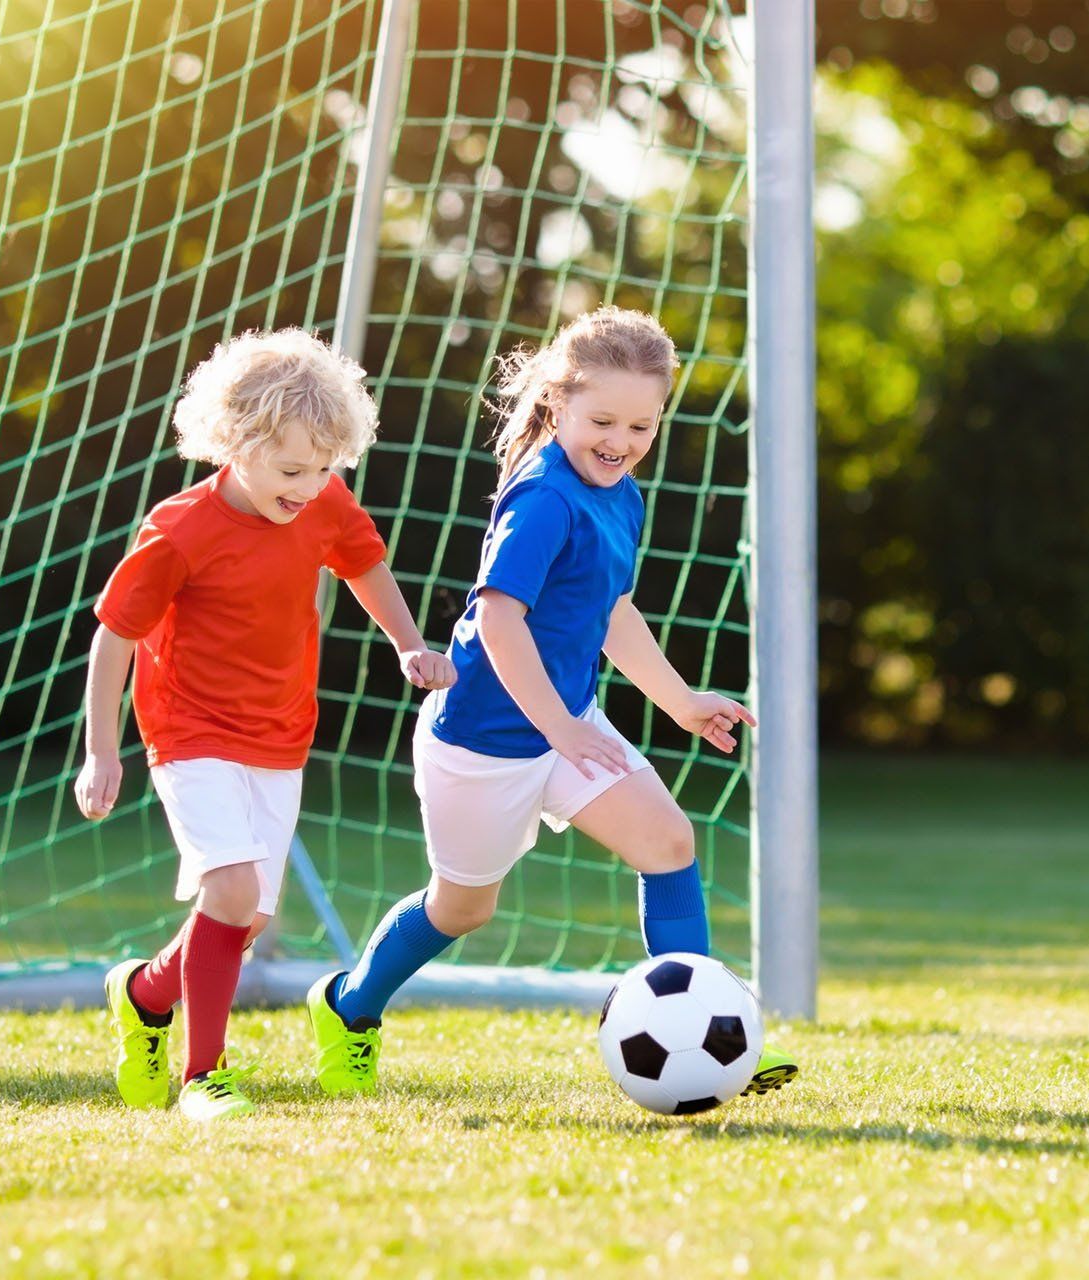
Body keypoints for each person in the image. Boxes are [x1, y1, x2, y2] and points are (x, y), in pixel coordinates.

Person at [307, 306, 798, 1100]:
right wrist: (561, 729)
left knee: (669, 841)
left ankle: (710, 1041)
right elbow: (499, 620)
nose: (620, 441)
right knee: (462, 909)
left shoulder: (622, 494)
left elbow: (613, 611)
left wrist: (678, 701)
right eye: (602, 421)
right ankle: (349, 1005)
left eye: (641, 426)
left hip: (566, 727)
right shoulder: (542, 497)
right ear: (558, 403)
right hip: (484, 744)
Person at [74, 329, 455, 1121]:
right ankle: (203, 1079)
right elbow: (114, 637)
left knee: (245, 917)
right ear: (235, 443)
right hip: (188, 730)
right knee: (232, 889)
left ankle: (145, 995)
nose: (310, 486)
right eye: (291, 470)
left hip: (280, 734)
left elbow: (362, 562)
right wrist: (101, 753)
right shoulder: (180, 530)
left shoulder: (323, 501)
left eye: (324, 468)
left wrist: (409, 643)